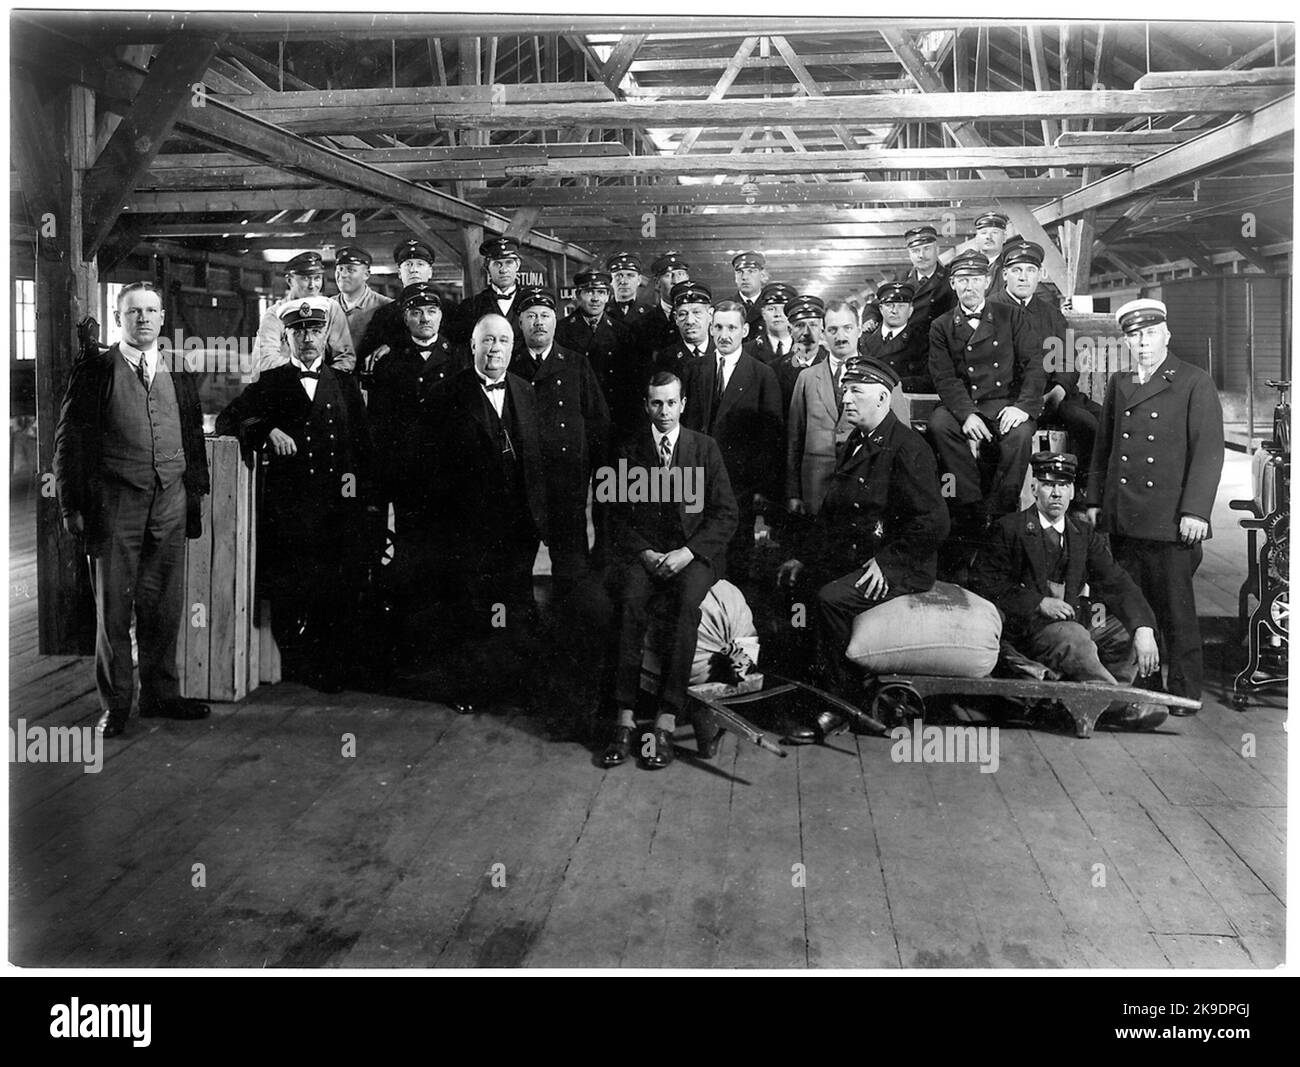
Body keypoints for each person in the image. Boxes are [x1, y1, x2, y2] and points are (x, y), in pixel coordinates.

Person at [54, 282, 212, 737]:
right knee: (114, 610)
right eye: (133, 312)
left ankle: (162, 695)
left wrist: (194, 497)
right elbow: (70, 443)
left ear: (162, 319)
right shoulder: (96, 371)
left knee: (164, 605)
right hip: (114, 503)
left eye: (150, 311)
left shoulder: (179, 371)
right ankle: (118, 705)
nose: (143, 319)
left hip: (170, 500)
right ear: (119, 319)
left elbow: (192, 441)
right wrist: (71, 505)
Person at [777, 357, 948, 740]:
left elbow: (933, 523)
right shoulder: (860, 439)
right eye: (845, 389)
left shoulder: (908, 448)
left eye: (856, 391)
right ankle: (808, 689)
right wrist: (805, 556)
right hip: (860, 553)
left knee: (830, 599)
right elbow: (834, 513)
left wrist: (887, 564)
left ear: (883, 397)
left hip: (901, 565)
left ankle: (841, 706)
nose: (846, 398)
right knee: (795, 586)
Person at [217, 299, 377, 693]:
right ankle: (296, 662)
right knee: (292, 587)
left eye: (314, 331)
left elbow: (363, 445)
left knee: (337, 587)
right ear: (286, 337)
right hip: (291, 509)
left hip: (339, 508)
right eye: (298, 331)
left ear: (326, 337)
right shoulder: (270, 384)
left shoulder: (343, 384)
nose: (307, 338)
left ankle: (332, 664)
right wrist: (265, 430)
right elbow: (228, 419)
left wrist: (367, 503)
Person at [1085, 298, 1225, 706]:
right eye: (1134, 336)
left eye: (1149, 334)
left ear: (1166, 335)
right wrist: (1096, 499)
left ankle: (1184, 692)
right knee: (1135, 607)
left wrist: (1196, 511)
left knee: (1176, 610)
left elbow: (1208, 453)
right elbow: (1104, 447)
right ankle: (1145, 689)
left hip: (1170, 520)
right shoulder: (1120, 382)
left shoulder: (1193, 381)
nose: (1142, 343)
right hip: (1125, 515)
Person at [603, 371, 739, 770]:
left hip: (693, 557)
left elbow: (726, 513)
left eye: (670, 403)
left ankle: (665, 719)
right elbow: (614, 517)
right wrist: (644, 553)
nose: (664, 411)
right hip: (645, 555)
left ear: (683, 405)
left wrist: (689, 552)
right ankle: (624, 719)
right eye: (656, 403)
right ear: (647, 406)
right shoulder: (628, 450)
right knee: (629, 605)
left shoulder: (705, 448)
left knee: (686, 609)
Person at [973, 452, 1166, 730]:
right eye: (1049, 484)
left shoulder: (1083, 533)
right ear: (1034, 488)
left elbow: (1117, 582)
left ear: (1072, 490)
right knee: (1076, 639)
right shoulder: (1010, 529)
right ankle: (1119, 705)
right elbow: (986, 583)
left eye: (1063, 485)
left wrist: (1144, 627)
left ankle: (1098, 702)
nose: (1056, 493)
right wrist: (1038, 602)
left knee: (1126, 631)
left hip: (1074, 621)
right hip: (1029, 628)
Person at [425, 313, 548, 621]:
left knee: (517, 599)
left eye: (503, 341)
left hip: (520, 522)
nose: (495, 348)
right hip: (470, 527)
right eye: (488, 340)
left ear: (512, 347)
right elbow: (433, 470)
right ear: (472, 345)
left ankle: (513, 652)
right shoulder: (445, 395)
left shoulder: (525, 390)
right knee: (475, 609)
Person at [928, 248, 1044, 525]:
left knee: (1020, 436)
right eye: (963, 279)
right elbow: (944, 377)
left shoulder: (1012, 316)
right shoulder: (941, 326)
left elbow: (1034, 365)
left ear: (987, 281)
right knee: (939, 425)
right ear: (953, 284)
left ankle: (1001, 512)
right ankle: (972, 506)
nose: (970, 286)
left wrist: (1023, 407)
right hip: (965, 402)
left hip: (1005, 403)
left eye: (976, 278)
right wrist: (966, 414)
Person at [511, 289, 610, 588]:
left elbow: (598, 424)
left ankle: (570, 629)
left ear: (555, 322)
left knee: (572, 567)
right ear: (520, 322)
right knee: (517, 564)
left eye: (545, 316)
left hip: (567, 481)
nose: (538, 323)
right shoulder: (509, 364)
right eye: (531, 316)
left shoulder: (576, 364)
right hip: (521, 483)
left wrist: (597, 475)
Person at [680, 300, 783, 585]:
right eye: (719, 327)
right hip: (697, 479)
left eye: (732, 328)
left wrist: (762, 488)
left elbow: (771, 439)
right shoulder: (693, 369)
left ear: (745, 330)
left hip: (740, 483)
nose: (724, 335)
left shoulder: (762, 374)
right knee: (698, 551)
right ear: (711, 329)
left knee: (737, 553)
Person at [992, 238, 1100, 498]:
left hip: (1053, 396)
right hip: (1011, 400)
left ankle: (1084, 494)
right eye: (1016, 270)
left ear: (1040, 275)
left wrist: (1059, 390)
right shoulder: (991, 309)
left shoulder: (1050, 313)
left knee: (1092, 421)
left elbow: (1067, 359)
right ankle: (1005, 502)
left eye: (1030, 270)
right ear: (1005, 274)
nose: (1023, 277)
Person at [366, 282, 467, 549]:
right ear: (404, 318)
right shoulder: (387, 362)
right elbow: (379, 423)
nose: (424, 318)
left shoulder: (460, 359)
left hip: (449, 470)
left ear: (441, 316)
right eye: (416, 312)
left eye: (432, 311)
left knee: (449, 541)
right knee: (410, 542)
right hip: (406, 471)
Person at [785, 299, 857, 516]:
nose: (840, 336)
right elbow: (794, 440)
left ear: (859, 330)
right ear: (824, 334)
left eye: (847, 328)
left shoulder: (881, 379)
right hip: (815, 487)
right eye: (833, 329)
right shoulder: (806, 378)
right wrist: (793, 492)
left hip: (862, 486)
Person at [253, 251, 355, 376]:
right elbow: (265, 360)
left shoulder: (332, 309)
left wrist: (325, 383)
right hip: (286, 385)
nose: (312, 285)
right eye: (305, 278)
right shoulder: (275, 314)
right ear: (290, 281)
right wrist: (306, 377)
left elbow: (345, 357)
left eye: (317, 278)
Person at [356, 238, 437, 364]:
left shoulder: (448, 309)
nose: (413, 270)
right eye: (408, 264)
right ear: (399, 273)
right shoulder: (385, 314)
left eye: (420, 264)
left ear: (430, 272)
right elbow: (368, 354)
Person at [450, 236, 528, 344]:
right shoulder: (471, 306)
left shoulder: (530, 301)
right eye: (497, 264)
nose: (503, 270)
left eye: (509, 263)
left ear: (518, 265)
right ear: (487, 268)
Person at [859, 281, 932, 392]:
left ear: (910, 311)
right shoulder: (864, 340)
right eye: (889, 305)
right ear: (880, 309)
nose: (894, 311)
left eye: (901, 306)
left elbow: (929, 380)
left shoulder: (922, 342)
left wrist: (894, 384)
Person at [771, 294, 828, 414]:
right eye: (800, 325)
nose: (807, 333)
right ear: (790, 331)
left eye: (813, 325)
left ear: (821, 330)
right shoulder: (774, 370)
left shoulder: (833, 365)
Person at [331, 245, 392, 353]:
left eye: (350, 270)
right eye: (340, 269)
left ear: (366, 275)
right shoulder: (328, 306)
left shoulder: (387, 306)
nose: (343, 275)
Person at [901, 225, 955, 334]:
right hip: (913, 345)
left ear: (937, 250)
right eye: (915, 251)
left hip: (943, 342)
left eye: (927, 248)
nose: (921, 255)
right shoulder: (902, 282)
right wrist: (870, 319)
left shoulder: (952, 278)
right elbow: (876, 305)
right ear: (909, 255)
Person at [653, 280, 715, 371]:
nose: (690, 321)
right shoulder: (666, 358)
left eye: (697, 312)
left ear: (710, 314)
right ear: (675, 318)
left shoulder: (723, 351)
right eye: (682, 314)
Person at [642, 252, 692, 354]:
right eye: (668, 275)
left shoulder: (702, 319)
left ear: (687, 279)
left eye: (680, 274)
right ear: (657, 283)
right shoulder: (643, 324)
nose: (676, 281)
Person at [743, 282, 798, 365]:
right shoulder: (747, 350)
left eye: (783, 310)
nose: (777, 314)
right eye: (771, 309)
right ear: (763, 313)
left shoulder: (807, 348)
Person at [973, 211, 1011, 300]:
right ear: (976, 238)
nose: (988, 237)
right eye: (983, 233)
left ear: (1004, 237)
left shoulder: (1011, 266)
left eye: (995, 232)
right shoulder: (966, 265)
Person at [729, 249, 768, 334]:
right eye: (740, 272)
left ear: (762, 275)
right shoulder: (725, 306)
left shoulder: (771, 306)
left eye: (751, 271)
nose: (744, 277)